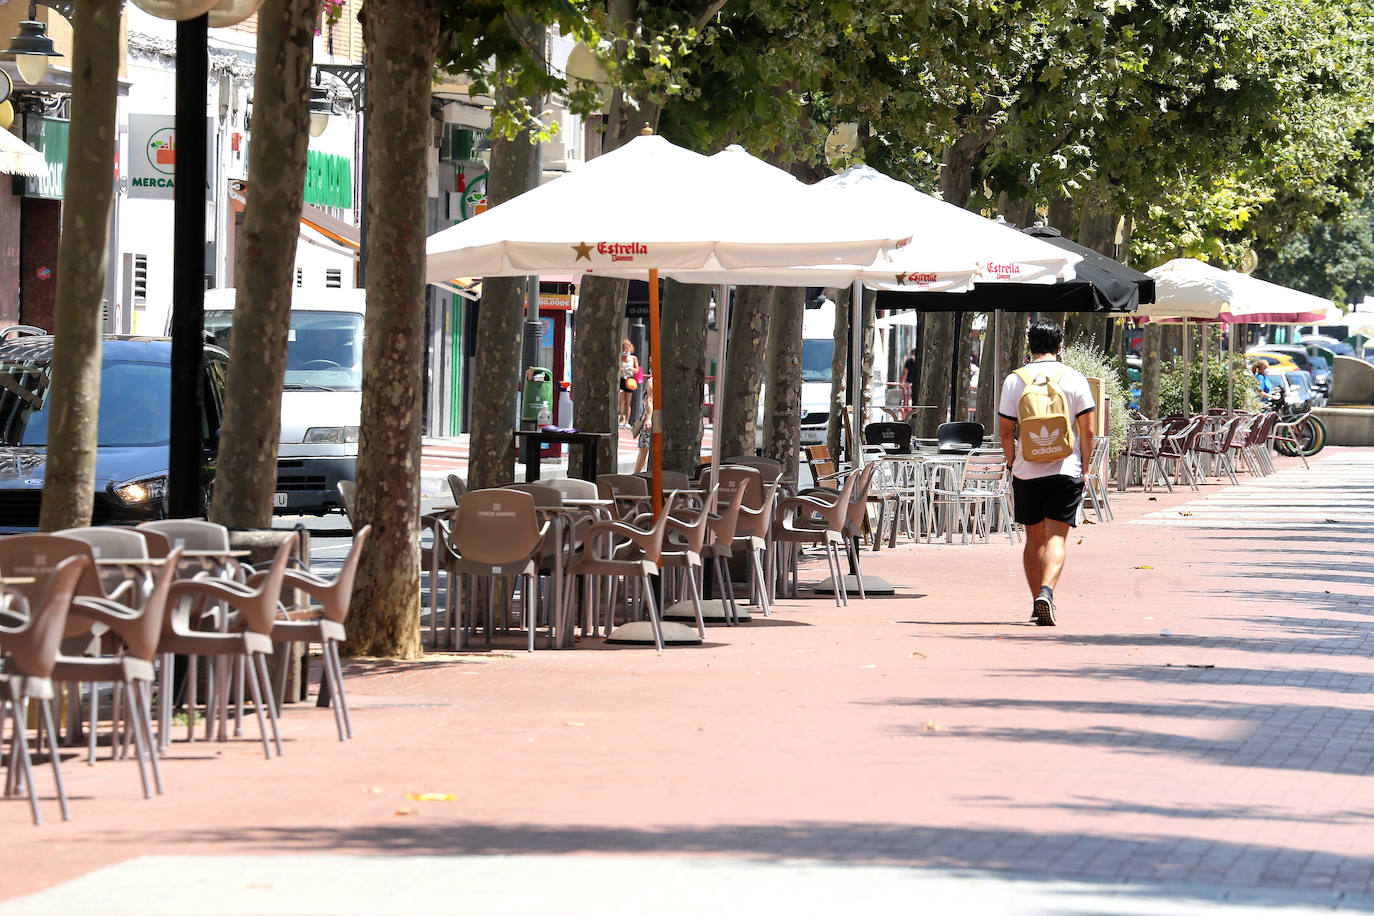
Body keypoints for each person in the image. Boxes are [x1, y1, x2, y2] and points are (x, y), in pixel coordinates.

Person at [997, 320, 1096, 626]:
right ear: (1060, 346)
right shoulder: (1074, 378)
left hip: (1027, 472)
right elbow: (1088, 431)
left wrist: (1013, 463)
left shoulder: (1015, 380)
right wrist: (1086, 466)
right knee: (1056, 538)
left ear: (1030, 346)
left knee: (1033, 538)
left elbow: (1005, 431)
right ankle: (1046, 592)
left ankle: (1034, 601)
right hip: (1065, 469)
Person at [633, 373, 653, 473]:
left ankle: (636, 474)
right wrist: (648, 418)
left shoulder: (653, 381)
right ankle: (636, 474)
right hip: (652, 416)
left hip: (654, 416)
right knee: (644, 448)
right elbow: (649, 399)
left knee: (645, 449)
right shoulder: (651, 381)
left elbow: (649, 399)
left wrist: (648, 418)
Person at [618, 339, 639, 428]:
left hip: (630, 380)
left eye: (627, 348)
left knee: (628, 402)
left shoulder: (633, 358)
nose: (625, 350)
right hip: (622, 379)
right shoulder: (620, 357)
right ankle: (621, 417)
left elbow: (637, 370)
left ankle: (627, 421)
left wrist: (632, 369)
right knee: (621, 398)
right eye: (624, 348)